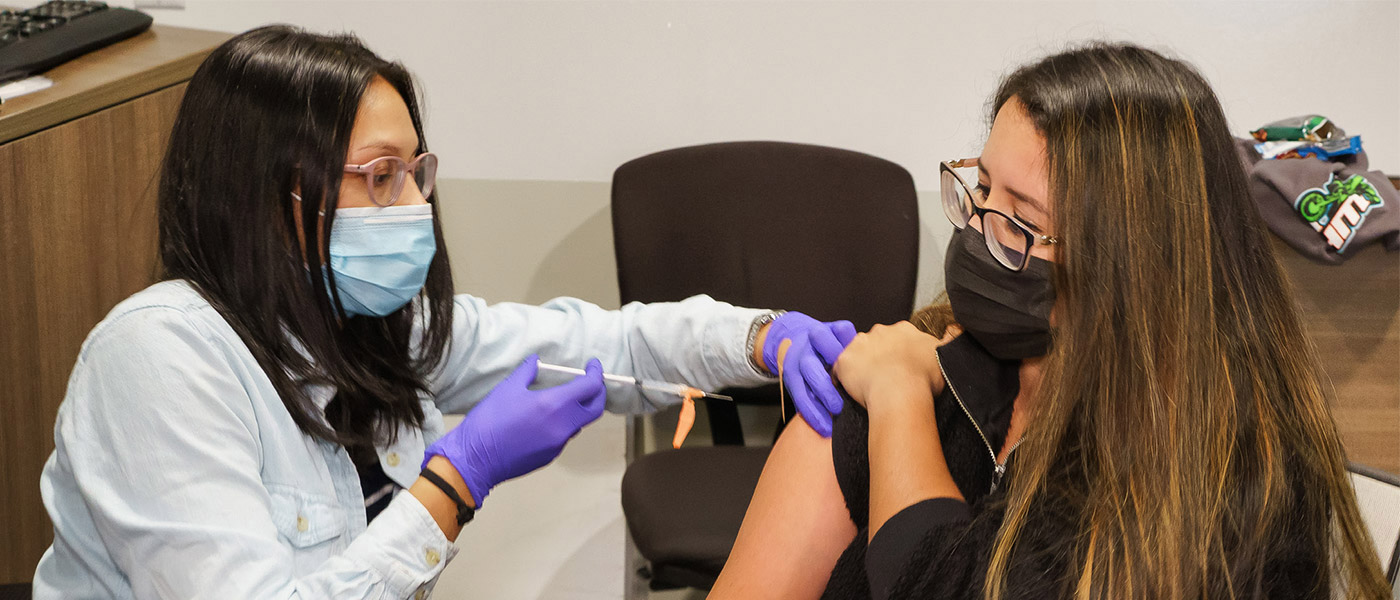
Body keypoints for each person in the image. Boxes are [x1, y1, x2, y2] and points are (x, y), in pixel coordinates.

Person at [31, 26, 854, 599]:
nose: (414, 204)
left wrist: (759, 339)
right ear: (266, 196)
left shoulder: (368, 327)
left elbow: (601, 342)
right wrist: (456, 481)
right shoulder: (157, 359)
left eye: (417, 172)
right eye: (379, 176)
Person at [712, 43, 1391, 600]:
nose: (978, 235)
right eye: (980, 191)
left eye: (1022, 222)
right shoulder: (916, 374)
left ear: (1134, 266)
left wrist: (897, 399)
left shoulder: (1231, 485)